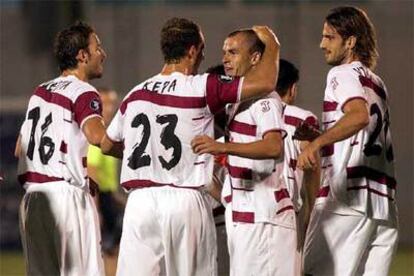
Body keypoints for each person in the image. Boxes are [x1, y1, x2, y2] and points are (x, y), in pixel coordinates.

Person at [100, 18, 280, 276]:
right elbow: (265, 82)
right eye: (203, 49)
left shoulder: (135, 94)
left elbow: (107, 144)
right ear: (192, 50)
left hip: (140, 203)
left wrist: (148, 154)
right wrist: (272, 44)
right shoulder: (202, 85)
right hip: (184, 199)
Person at [298, 6, 398, 275]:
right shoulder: (376, 81)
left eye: (329, 37)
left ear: (351, 41)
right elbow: (363, 135)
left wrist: (317, 145)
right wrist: (321, 136)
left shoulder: (341, 74)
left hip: (347, 199)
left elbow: (358, 117)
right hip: (384, 206)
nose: (321, 44)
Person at [192, 30, 298, 276]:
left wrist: (222, 146)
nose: (226, 59)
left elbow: (273, 146)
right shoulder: (239, 101)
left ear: (255, 58)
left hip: (265, 218)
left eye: (234, 52)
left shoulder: (265, 99)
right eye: (224, 53)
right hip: (244, 215)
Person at [15, 21, 107, 275]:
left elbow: (19, 148)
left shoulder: (39, 92)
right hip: (66, 197)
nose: (103, 54)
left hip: (33, 199)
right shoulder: (84, 91)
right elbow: (97, 137)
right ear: (82, 55)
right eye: (97, 47)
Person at [276, 59, 321, 271]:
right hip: (285, 212)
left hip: (244, 213)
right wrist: (311, 209)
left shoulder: (244, 114)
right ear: (292, 89)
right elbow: (311, 162)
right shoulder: (302, 119)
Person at [87, 87, 123, 255]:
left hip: (108, 197)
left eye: (112, 104)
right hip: (99, 199)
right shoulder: (96, 135)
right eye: (104, 104)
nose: (109, 108)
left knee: (113, 251)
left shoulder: (108, 133)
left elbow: (104, 176)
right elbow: (92, 171)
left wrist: (118, 199)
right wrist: (96, 210)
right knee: (108, 252)